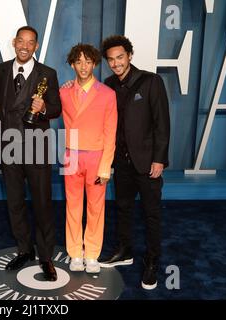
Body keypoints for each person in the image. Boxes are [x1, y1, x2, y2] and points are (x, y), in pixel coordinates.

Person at [0, 26, 62, 281]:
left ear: (36, 46)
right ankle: (24, 249)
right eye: (21, 41)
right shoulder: (1, 69)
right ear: (14, 42)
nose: (25, 46)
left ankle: (46, 257)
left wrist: (44, 108)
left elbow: (57, 109)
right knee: (15, 203)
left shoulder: (48, 73)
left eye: (30, 43)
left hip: (37, 147)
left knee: (42, 204)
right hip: (8, 146)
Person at [97, 35, 170, 290]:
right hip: (121, 162)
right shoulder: (107, 85)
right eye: (111, 60)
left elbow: (162, 123)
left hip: (148, 162)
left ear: (129, 55)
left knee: (151, 214)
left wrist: (159, 158)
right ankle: (124, 250)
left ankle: (152, 261)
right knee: (123, 208)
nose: (116, 63)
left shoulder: (151, 81)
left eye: (120, 57)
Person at [59, 44, 117, 273]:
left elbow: (110, 132)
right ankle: (75, 253)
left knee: (95, 207)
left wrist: (106, 166)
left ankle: (92, 253)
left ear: (95, 64)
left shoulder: (107, 94)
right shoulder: (63, 91)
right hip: (71, 155)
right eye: (79, 62)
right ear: (72, 64)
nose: (83, 66)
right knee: (72, 206)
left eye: (88, 61)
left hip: (97, 156)